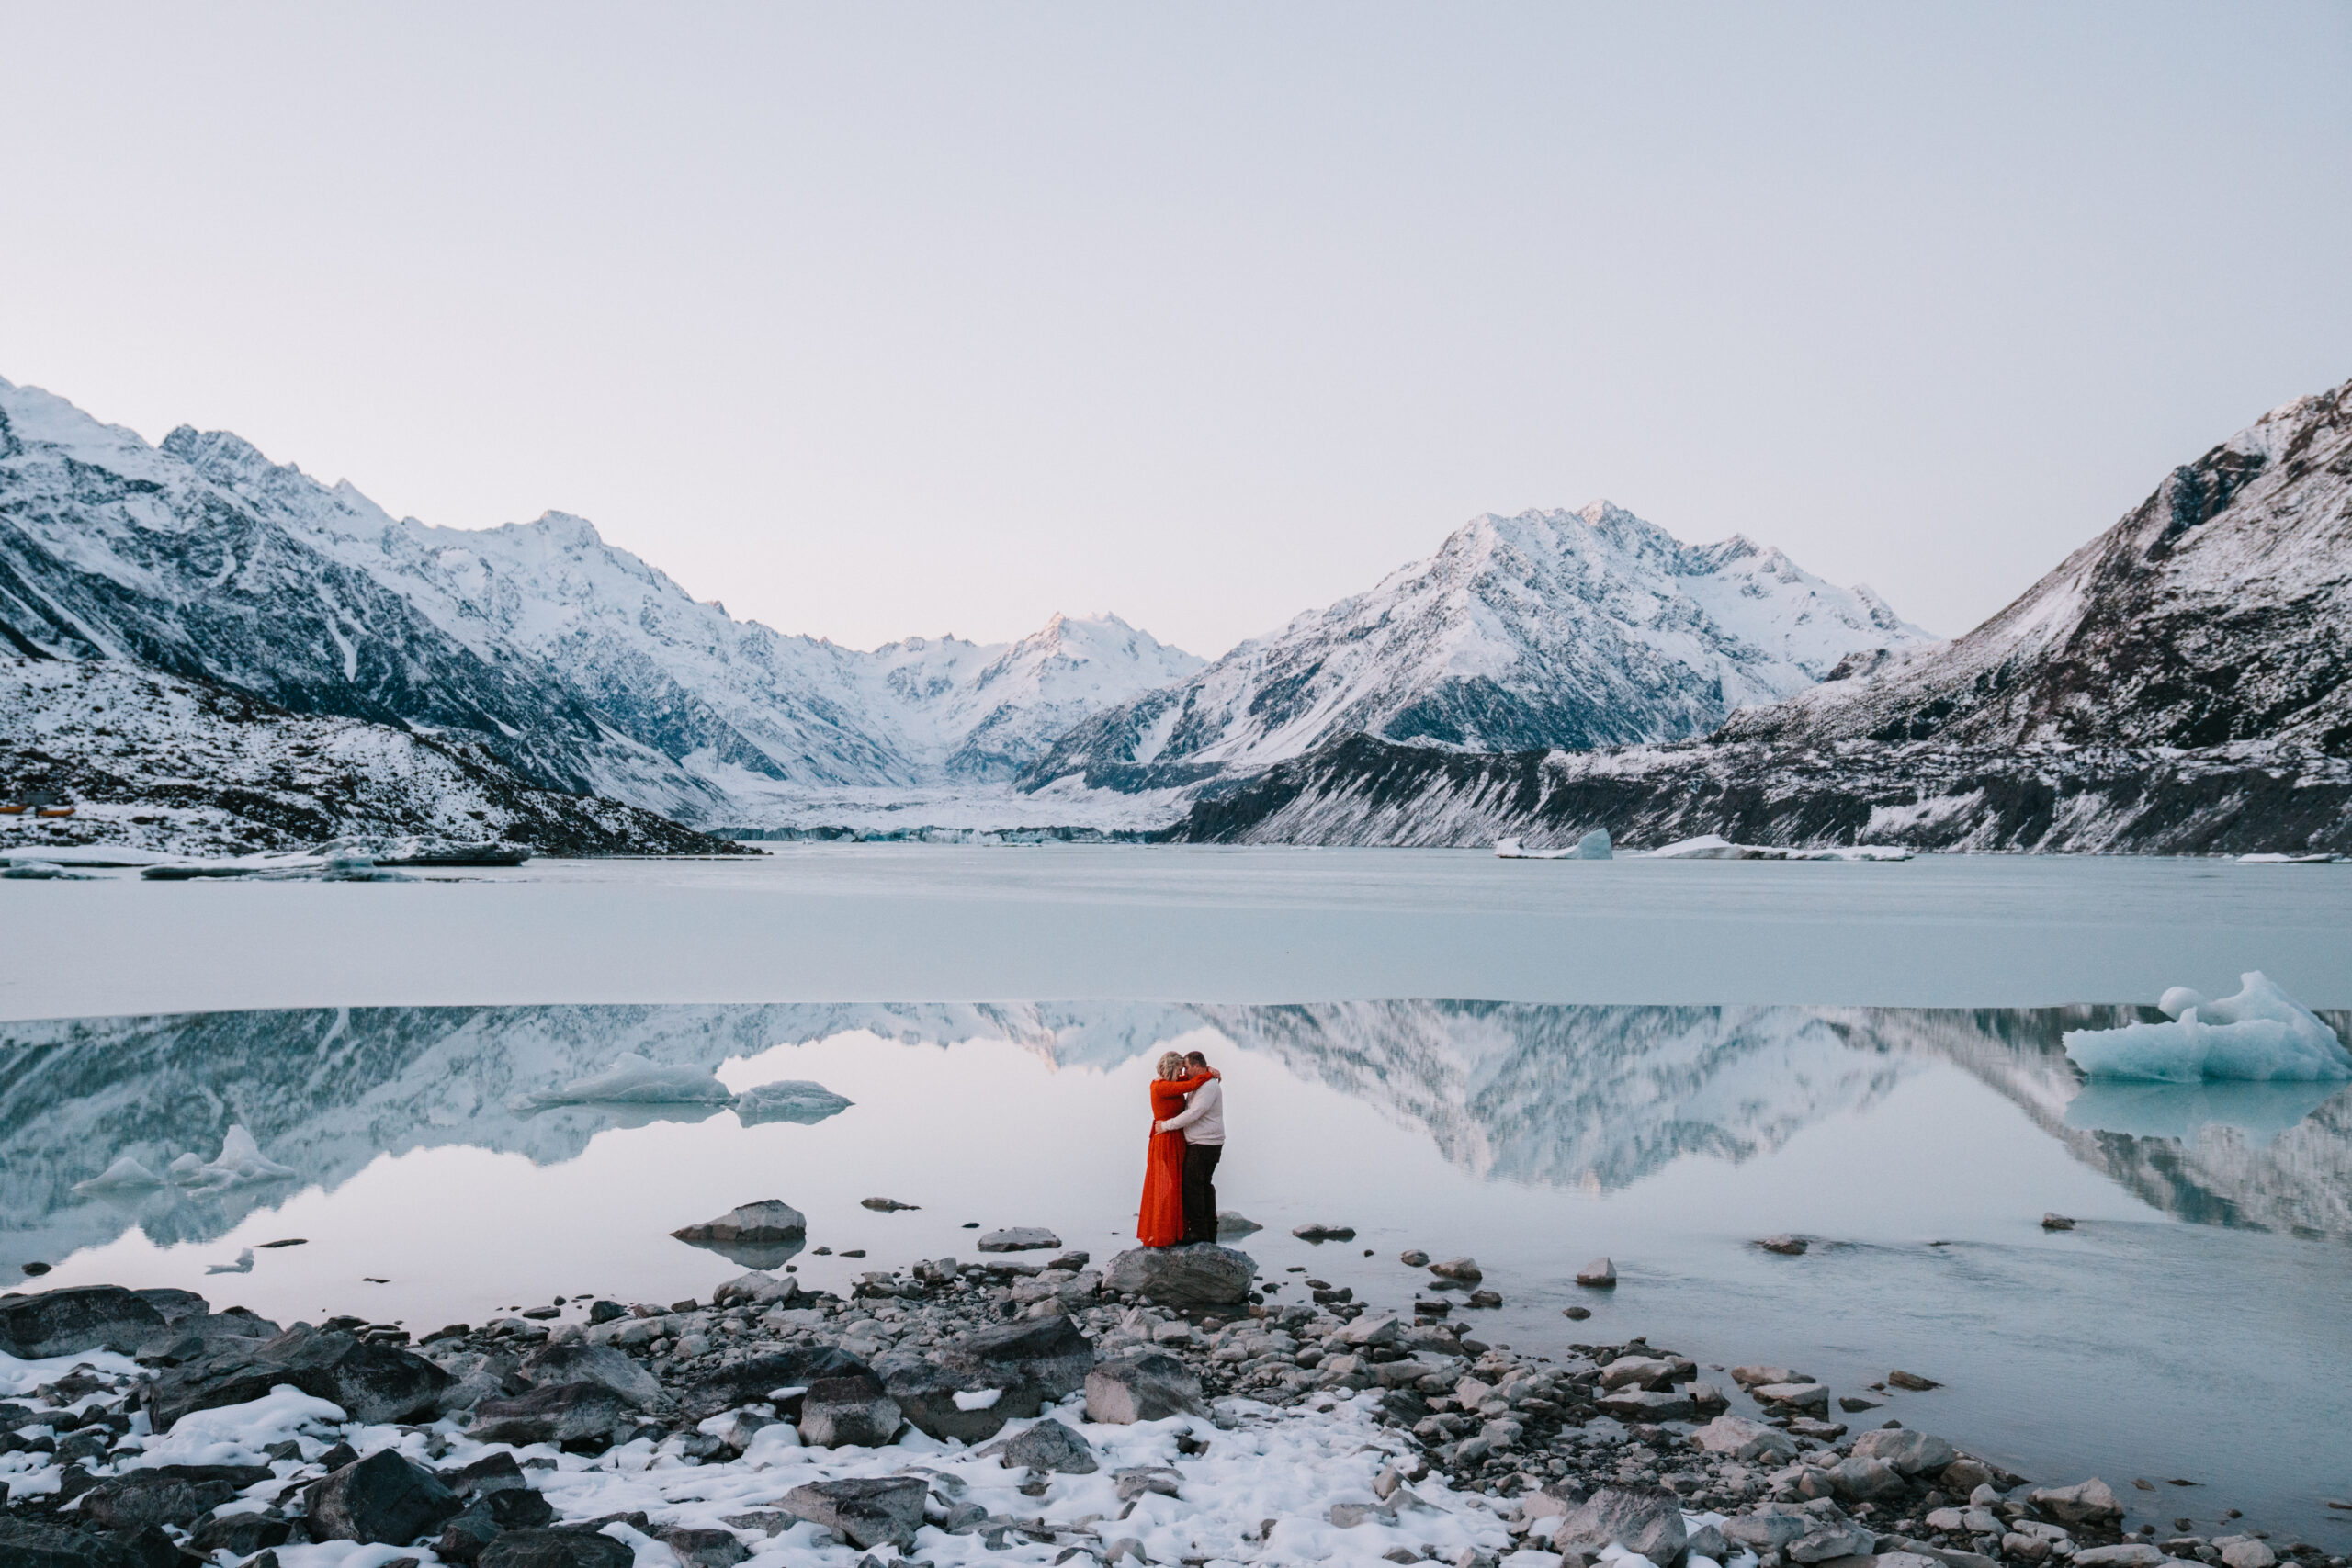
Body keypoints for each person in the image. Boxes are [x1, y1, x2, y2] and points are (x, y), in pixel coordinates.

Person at [1136, 1051, 1216, 1247]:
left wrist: (1209, 1071)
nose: (1183, 1072)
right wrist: (1209, 1074)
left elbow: (1186, 1081)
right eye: (1180, 1069)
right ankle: (1164, 1232)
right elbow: (1191, 1084)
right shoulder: (1161, 1087)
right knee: (1167, 1186)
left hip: (1176, 1139)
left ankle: (1178, 1230)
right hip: (1165, 1141)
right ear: (1172, 1068)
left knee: (1178, 1186)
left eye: (1184, 1069)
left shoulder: (1169, 1083)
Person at [1155, 1048, 1225, 1245]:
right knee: (1202, 1185)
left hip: (1205, 1144)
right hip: (1203, 1142)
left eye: (1186, 1067)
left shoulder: (1208, 1087)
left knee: (1192, 1186)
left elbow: (1194, 1113)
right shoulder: (1200, 1082)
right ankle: (1209, 1230)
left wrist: (1165, 1126)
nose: (1183, 1072)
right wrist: (1210, 1070)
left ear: (1195, 1066)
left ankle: (1199, 1232)